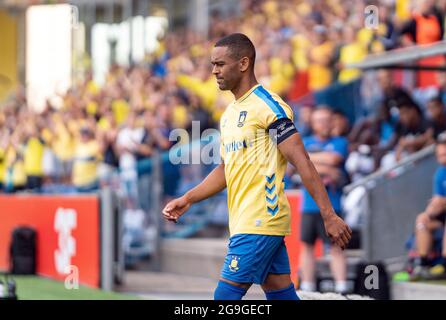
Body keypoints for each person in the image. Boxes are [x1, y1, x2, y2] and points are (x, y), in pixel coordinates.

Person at [162, 33, 352, 300]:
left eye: (220, 64)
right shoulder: (229, 114)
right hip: (245, 222)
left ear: (243, 63)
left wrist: (329, 214)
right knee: (280, 295)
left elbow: (302, 160)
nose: (214, 71)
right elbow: (226, 169)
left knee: (224, 299)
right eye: (212, 64)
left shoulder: (267, 107)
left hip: (261, 219)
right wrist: (188, 198)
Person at [298, 107, 350, 294]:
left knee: (336, 247)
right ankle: (307, 287)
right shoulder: (304, 141)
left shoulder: (340, 142)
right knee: (307, 246)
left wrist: (309, 161)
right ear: (312, 124)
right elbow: (297, 164)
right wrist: (325, 167)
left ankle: (342, 288)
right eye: (319, 120)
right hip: (309, 205)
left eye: (327, 120)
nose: (324, 124)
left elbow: (334, 160)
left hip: (333, 206)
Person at [412, 134, 446, 280]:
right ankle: (423, 264)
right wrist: (430, 211)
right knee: (422, 219)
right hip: (442, 216)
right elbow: (437, 201)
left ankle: (444, 265)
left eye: (444, 154)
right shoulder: (440, 173)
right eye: (439, 154)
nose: (441, 157)